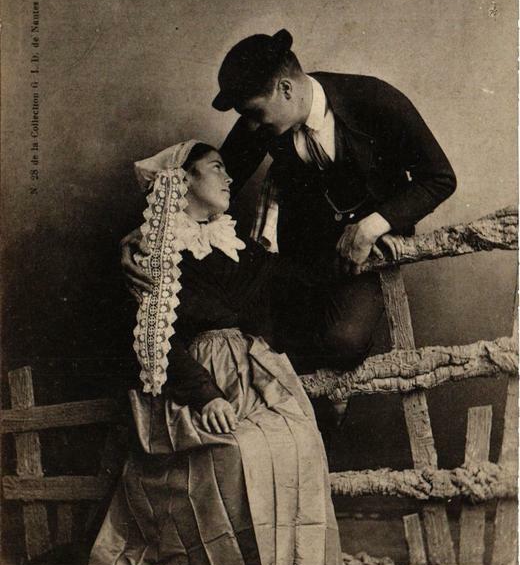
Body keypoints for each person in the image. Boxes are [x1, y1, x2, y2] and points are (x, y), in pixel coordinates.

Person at [88, 140, 344, 565]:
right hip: (184, 386)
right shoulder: (151, 253)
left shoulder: (235, 245)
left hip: (252, 375)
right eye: (217, 169)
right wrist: (205, 395)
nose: (229, 179)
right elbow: (155, 342)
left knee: (299, 438)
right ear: (181, 182)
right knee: (238, 451)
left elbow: (294, 280)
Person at [121, 29, 456, 376]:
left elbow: (440, 177)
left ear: (285, 89)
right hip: (298, 258)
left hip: (365, 249)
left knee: (343, 341)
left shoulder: (374, 99)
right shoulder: (260, 124)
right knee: (263, 344)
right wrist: (147, 234)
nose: (251, 126)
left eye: (254, 113)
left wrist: (376, 224)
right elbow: (201, 185)